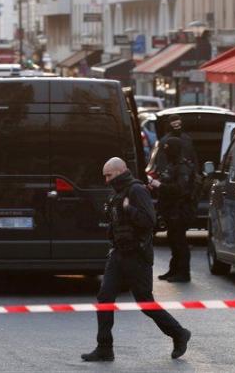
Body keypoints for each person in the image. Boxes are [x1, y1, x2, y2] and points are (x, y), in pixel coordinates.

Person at [81, 157, 191, 362]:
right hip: (118, 254)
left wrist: (128, 209)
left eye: (109, 175)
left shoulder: (136, 190)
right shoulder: (118, 192)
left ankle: (178, 333)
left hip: (137, 255)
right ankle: (104, 347)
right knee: (104, 299)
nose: (106, 180)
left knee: (145, 302)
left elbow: (149, 221)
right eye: (104, 176)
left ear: (120, 171)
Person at [150, 137, 195, 283]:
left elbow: (180, 189)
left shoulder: (183, 167)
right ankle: (174, 269)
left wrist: (159, 186)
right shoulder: (171, 165)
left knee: (179, 241)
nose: (166, 152)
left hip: (180, 210)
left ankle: (183, 272)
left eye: (169, 149)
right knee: (173, 239)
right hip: (170, 210)